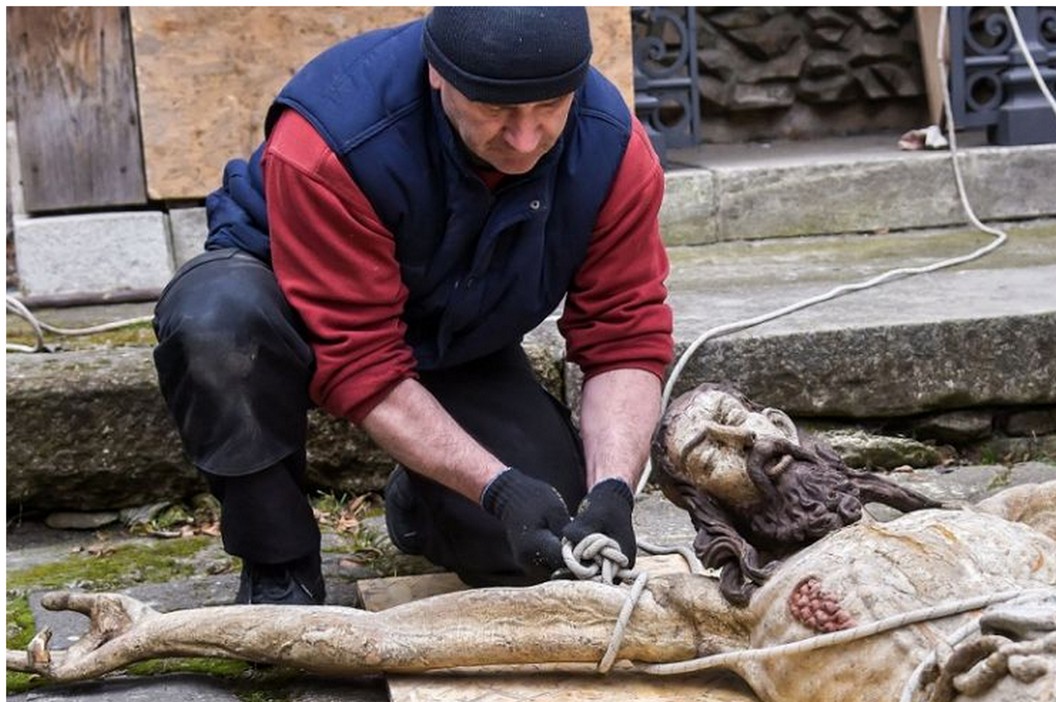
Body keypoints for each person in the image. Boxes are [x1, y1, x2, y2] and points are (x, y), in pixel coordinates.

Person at [6, 385, 1056, 702]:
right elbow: (394, 635)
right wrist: (162, 632)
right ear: (695, 494)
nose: (756, 435)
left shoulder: (992, 505)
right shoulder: (709, 608)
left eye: (750, 414)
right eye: (715, 443)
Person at [151, 7, 673, 604]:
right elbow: (362, 360)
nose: (525, 139)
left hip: (454, 327)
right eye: (496, 110)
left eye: (550, 108)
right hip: (290, 299)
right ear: (438, 76)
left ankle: (421, 500)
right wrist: (497, 488)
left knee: (541, 540)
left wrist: (612, 488)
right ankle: (281, 566)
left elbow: (625, 337)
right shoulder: (330, 143)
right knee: (218, 327)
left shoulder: (614, 151)